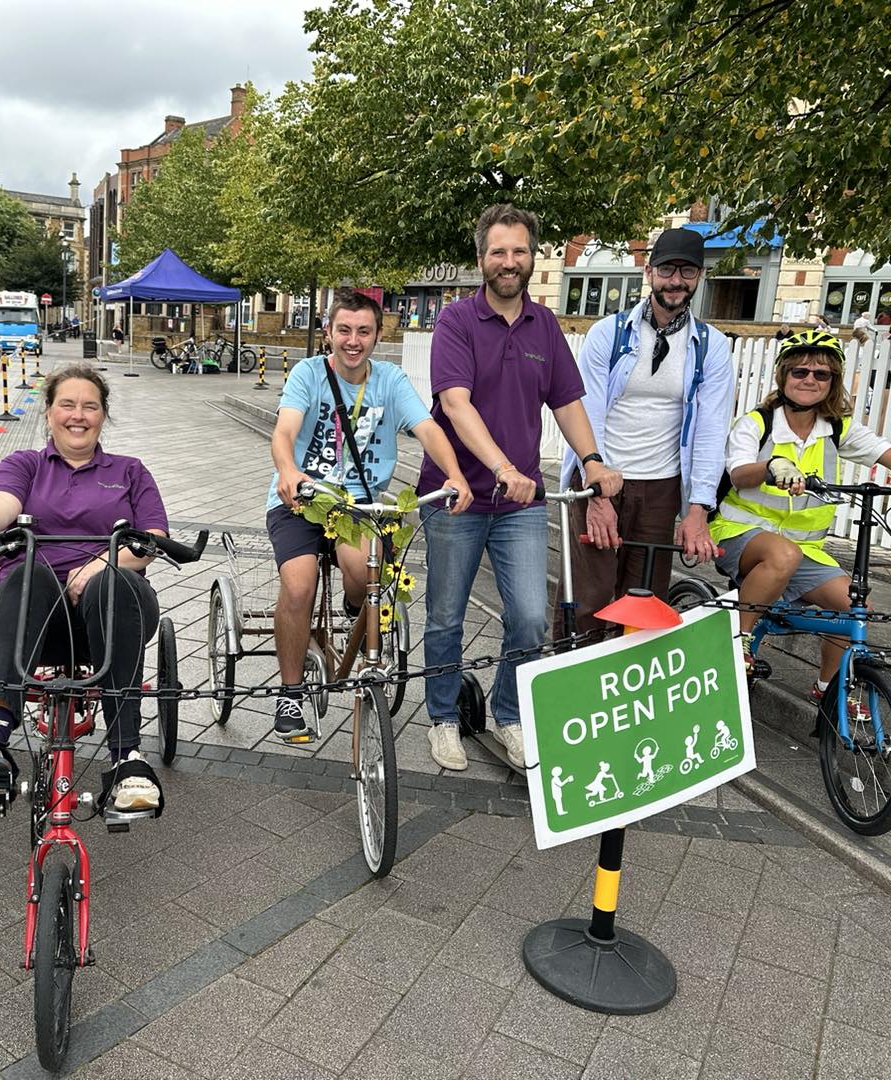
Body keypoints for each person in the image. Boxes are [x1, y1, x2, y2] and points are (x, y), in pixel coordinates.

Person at [419, 203, 621, 774]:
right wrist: (504, 466)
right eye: (498, 251)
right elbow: (454, 404)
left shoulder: (545, 326)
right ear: (481, 257)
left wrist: (593, 460)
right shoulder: (456, 321)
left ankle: (509, 714)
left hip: (521, 504)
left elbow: (566, 402)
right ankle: (442, 718)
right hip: (455, 497)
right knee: (445, 616)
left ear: (533, 256)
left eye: (519, 251)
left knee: (532, 617)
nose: (510, 262)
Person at [0, 364, 170, 812]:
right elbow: (1, 502)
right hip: (34, 620)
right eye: (67, 404)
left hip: (109, 616)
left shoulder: (129, 471)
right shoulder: (24, 465)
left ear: (103, 415)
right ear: (48, 412)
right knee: (26, 570)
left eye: (90, 406)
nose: (78, 415)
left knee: (116, 581)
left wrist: (100, 564)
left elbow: (153, 538)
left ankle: (127, 758)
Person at [710, 330, 891, 699]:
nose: (810, 380)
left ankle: (828, 687)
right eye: (800, 372)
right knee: (782, 554)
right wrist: (772, 466)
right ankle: (740, 640)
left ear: (833, 383)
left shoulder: (834, 429)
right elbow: (738, 473)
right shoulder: (757, 423)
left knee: (853, 608)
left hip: (804, 550)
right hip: (740, 533)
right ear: (783, 376)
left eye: (822, 374)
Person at [268, 290, 472, 741]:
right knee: (298, 585)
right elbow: (284, 430)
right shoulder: (308, 374)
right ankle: (290, 691)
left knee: (364, 576)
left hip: (359, 504)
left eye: (363, 331)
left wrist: (455, 474)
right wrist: (288, 471)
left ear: (379, 335)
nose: (353, 340)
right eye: (344, 330)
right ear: (329, 333)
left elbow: (429, 429)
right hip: (304, 498)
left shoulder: (391, 382)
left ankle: (353, 604)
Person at [557, 227, 735, 639]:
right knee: (589, 599)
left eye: (687, 272)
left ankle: (628, 697)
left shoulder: (711, 347)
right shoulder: (609, 334)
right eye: (668, 270)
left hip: (661, 487)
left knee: (644, 606)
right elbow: (587, 413)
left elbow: (711, 428)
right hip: (601, 478)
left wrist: (698, 509)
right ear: (650, 272)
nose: (676, 281)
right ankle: (572, 694)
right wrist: (597, 491)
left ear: (699, 277)